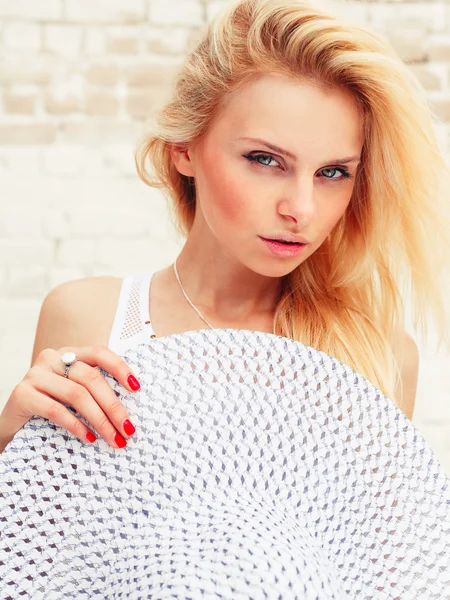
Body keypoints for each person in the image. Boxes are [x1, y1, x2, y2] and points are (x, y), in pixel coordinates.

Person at [1, 0, 450, 596]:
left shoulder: (377, 357)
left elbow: (386, 582)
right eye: (265, 160)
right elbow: (37, 569)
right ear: (184, 149)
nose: (301, 209)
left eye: (334, 172)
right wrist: (11, 442)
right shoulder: (90, 316)